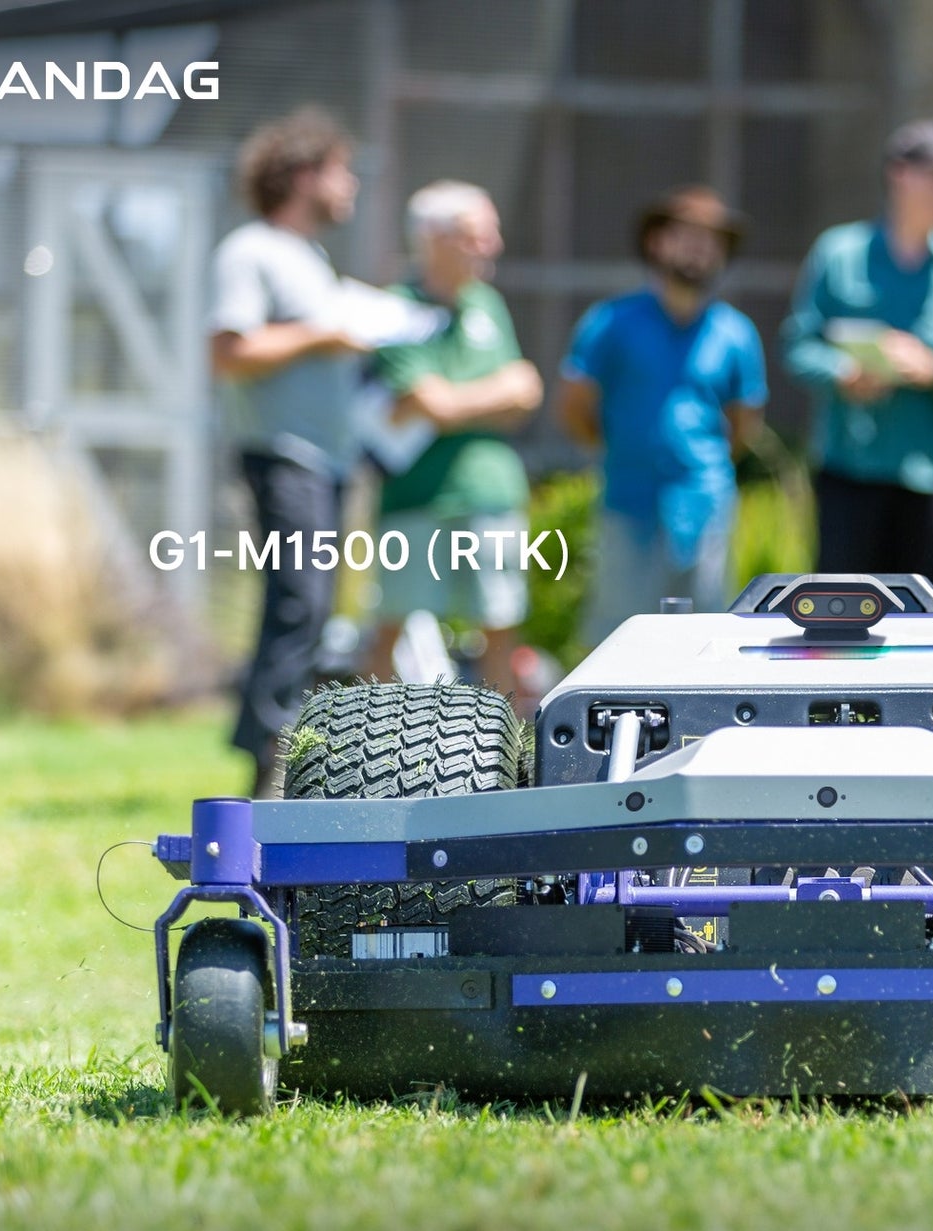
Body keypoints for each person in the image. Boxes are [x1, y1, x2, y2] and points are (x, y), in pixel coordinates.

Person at [210, 107, 365, 797]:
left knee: (313, 610)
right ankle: (267, 764)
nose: (350, 186)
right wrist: (321, 335)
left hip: (327, 463)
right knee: (296, 605)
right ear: (305, 175)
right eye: (341, 171)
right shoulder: (251, 250)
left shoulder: (313, 259)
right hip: (283, 459)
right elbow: (230, 350)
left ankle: (284, 757)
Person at [782, 120, 933, 590]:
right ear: (899, 173)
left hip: (927, 480)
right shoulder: (839, 254)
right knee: (839, 616)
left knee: (924, 620)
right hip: (848, 474)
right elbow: (799, 347)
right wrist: (844, 372)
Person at [558, 186, 766, 637]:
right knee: (619, 639)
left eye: (711, 239)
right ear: (656, 242)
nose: (699, 248)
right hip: (628, 502)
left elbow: (744, 423)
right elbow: (575, 406)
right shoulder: (610, 322)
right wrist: (622, 448)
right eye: (687, 235)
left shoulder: (735, 332)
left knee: (706, 639)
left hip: (706, 504)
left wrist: (698, 462)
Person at [366, 181, 543, 691]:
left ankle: (502, 739)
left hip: (493, 492)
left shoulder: (487, 304)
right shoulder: (394, 309)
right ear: (433, 239)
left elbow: (527, 393)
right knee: (391, 627)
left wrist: (452, 400)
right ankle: (374, 737)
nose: (493, 247)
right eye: (477, 235)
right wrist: (495, 394)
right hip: (416, 496)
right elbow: (436, 405)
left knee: (501, 624)